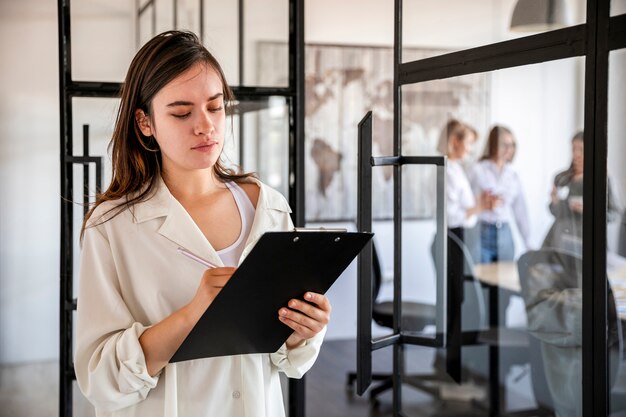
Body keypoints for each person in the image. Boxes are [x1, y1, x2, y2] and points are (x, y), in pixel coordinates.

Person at [74, 31, 330, 417]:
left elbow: (290, 364)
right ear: (145, 122)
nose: (205, 126)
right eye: (181, 112)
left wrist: (303, 329)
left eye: (215, 107)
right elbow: (100, 379)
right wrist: (192, 314)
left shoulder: (268, 208)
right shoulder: (112, 225)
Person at [542, 131, 620, 251]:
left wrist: (590, 211)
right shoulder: (562, 178)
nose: (576, 155)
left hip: (587, 239)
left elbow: (614, 213)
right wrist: (555, 201)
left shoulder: (602, 179)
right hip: (559, 238)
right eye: (574, 149)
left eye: (582, 150)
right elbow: (556, 212)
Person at [470, 125, 530, 263]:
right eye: (504, 145)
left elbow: (520, 210)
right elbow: (466, 203)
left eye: (512, 145)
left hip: (504, 232)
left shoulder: (513, 174)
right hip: (481, 231)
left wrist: (527, 242)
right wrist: (483, 203)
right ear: (493, 144)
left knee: (504, 281)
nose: (509, 149)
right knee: (481, 280)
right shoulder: (477, 170)